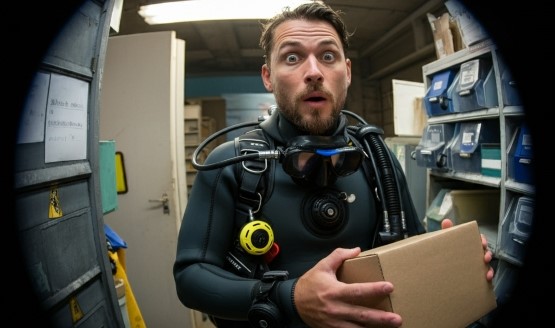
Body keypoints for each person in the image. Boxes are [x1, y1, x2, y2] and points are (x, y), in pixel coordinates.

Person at [173, 1, 494, 327]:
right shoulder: (233, 164)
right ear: (268, 77)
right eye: (292, 57)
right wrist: (289, 297)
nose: (313, 72)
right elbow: (191, 276)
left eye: (328, 56)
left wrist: (448, 259)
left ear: (348, 71)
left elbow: (409, 247)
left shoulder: (377, 159)